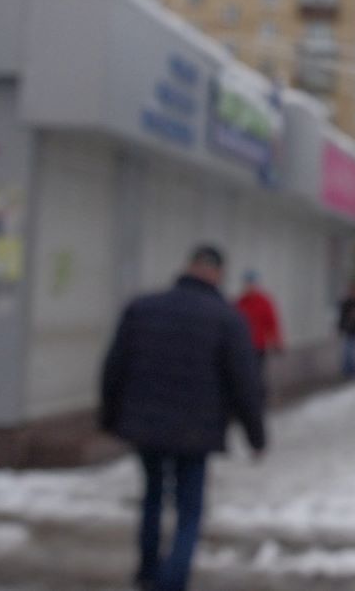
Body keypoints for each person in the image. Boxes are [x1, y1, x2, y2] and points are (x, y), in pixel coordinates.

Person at [100, 245, 266, 591]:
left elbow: (114, 367)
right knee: (190, 509)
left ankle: (147, 572)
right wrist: (256, 435)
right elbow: (244, 383)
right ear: (218, 274)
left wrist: (109, 416)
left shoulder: (143, 308)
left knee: (153, 497)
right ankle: (172, 582)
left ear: (187, 267)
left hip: (146, 426)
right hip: (197, 431)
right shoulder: (227, 318)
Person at [236, 269, 285, 371]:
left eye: (252, 283)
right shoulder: (240, 303)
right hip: (242, 346)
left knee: (256, 372)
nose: (249, 286)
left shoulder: (264, 302)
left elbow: (271, 323)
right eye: (247, 283)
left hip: (258, 346)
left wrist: (276, 342)